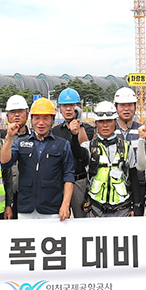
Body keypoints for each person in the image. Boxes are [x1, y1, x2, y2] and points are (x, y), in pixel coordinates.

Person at [0, 97, 74, 290]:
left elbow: (68, 176)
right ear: (31, 120)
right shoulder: (21, 143)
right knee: (26, 256)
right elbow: (5, 162)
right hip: (26, 208)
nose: (41, 122)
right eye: (37, 118)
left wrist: (65, 205)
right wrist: (8, 137)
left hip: (52, 208)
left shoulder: (62, 144)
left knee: (55, 256)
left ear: (52, 119)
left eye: (46, 118)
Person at [85, 101, 141, 217]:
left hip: (122, 208)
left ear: (115, 122)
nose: (105, 125)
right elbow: (77, 156)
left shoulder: (126, 147)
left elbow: (133, 176)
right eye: (101, 122)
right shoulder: (88, 147)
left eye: (109, 121)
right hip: (96, 208)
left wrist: (136, 205)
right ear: (96, 123)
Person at [52, 87, 93, 218]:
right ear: (60, 108)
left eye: (72, 105)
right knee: (60, 218)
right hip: (60, 181)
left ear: (78, 107)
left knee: (82, 218)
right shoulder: (56, 132)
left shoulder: (88, 129)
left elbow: (84, 154)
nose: (68, 109)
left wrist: (78, 125)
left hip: (79, 180)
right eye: (65, 106)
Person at [113, 87, 146, 216]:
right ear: (116, 107)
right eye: (122, 105)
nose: (126, 109)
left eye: (130, 105)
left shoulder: (142, 131)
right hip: (116, 184)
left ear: (135, 107)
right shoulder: (109, 131)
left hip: (139, 183)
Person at [3, 95, 31, 219]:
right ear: (7, 116)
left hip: (28, 194)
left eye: (20, 112)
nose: (17, 115)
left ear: (27, 114)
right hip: (5, 194)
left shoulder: (35, 137)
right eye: (13, 112)